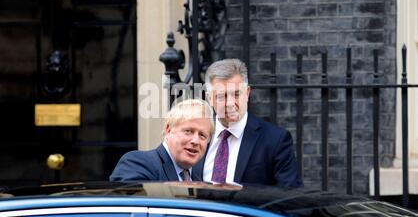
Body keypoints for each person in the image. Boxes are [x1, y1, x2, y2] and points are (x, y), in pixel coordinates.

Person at [192, 58, 303, 187]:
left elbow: (289, 195)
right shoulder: (196, 134)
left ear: (247, 93)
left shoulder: (275, 140)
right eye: (222, 96)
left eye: (236, 94)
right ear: (210, 98)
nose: (230, 104)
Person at [110, 99, 215, 182]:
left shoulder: (200, 179)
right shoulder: (138, 164)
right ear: (168, 130)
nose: (195, 141)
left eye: (202, 135)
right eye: (188, 131)